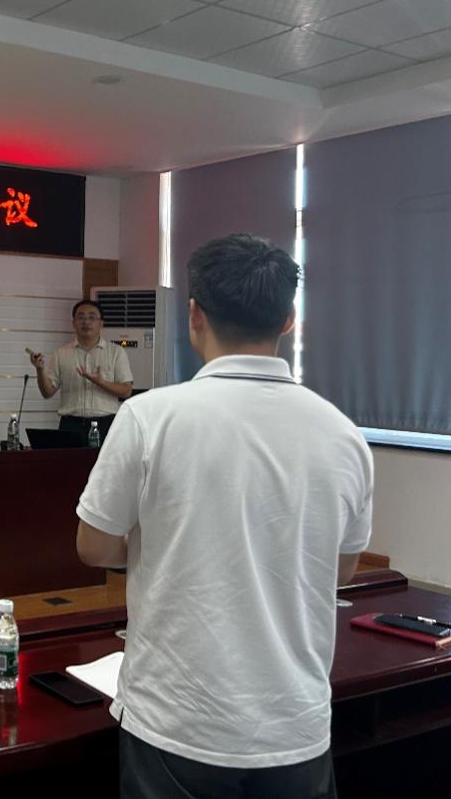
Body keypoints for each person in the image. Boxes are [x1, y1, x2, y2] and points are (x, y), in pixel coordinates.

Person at [74, 234, 374, 798]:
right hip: (295, 724)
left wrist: (162, 542)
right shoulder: (343, 433)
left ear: (194, 315)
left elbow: (94, 547)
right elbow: (342, 570)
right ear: (288, 320)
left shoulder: (148, 417)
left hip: (176, 723)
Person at [29, 299, 133, 444]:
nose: (86, 322)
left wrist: (100, 382)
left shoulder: (116, 352)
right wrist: (40, 370)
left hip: (106, 424)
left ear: (101, 323)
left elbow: (126, 391)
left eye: (92, 317)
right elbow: (47, 392)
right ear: (73, 323)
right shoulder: (61, 353)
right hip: (71, 425)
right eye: (81, 317)